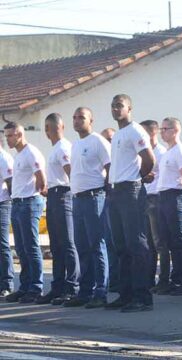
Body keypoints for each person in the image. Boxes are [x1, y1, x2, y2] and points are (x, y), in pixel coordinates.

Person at [107, 94, 155, 312]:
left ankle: (142, 296)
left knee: (136, 244)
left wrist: (140, 177)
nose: (116, 109)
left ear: (129, 108)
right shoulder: (119, 134)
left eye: (120, 106)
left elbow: (149, 159)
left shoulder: (135, 130)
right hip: (116, 191)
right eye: (113, 106)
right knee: (121, 245)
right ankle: (126, 294)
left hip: (130, 190)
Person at [64, 107, 110, 309]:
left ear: (91, 120)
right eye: (74, 117)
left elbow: (110, 167)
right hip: (78, 199)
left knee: (96, 245)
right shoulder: (76, 145)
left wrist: (106, 192)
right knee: (81, 246)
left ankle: (101, 291)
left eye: (81, 117)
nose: (76, 121)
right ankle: (85, 291)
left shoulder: (98, 141)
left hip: (94, 197)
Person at [36, 113, 80, 305]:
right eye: (47, 128)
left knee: (68, 243)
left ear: (61, 127)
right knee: (56, 245)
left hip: (64, 194)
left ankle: (72, 286)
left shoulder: (64, 147)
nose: (49, 131)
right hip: (53, 194)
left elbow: (71, 173)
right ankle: (58, 286)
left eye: (52, 127)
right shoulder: (54, 148)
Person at [4, 122, 46, 303]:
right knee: (21, 248)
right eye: (6, 136)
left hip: (29, 202)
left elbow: (41, 179)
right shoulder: (19, 155)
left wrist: (30, 194)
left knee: (31, 247)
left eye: (10, 136)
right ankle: (25, 286)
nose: (7, 140)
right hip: (18, 202)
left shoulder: (31, 152)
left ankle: (36, 287)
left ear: (19, 134)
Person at [156, 117, 182, 295]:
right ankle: (177, 278)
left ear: (175, 130)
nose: (162, 132)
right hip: (163, 196)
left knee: (180, 239)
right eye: (161, 129)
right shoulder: (167, 152)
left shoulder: (180, 151)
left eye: (165, 129)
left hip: (175, 195)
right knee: (170, 240)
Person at [140, 120, 169, 293]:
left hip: (156, 199)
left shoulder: (161, 152)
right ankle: (149, 279)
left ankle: (164, 279)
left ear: (153, 133)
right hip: (144, 198)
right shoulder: (144, 152)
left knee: (160, 243)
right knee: (148, 244)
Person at [100, 127, 121, 293]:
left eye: (110, 139)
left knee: (117, 241)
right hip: (104, 199)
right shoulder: (103, 156)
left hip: (118, 198)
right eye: (106, 139)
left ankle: (120, 279)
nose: (108, 142)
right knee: (107, 242)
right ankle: (112, 280)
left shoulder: (119, 156)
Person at [0, 134, 14, 299]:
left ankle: (7, 283)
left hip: (3, 204)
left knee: (3, 245)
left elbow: (10, 182)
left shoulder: (4, 158)